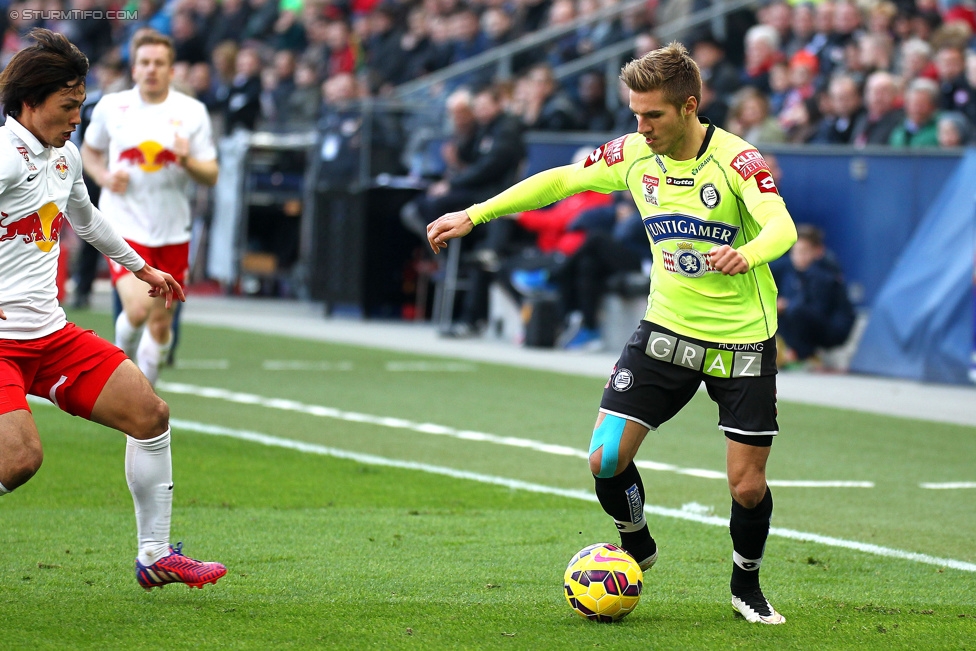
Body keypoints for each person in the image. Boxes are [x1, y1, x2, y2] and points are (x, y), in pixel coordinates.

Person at [427, 42, 797, 625]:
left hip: (742, 338)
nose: (641, 127)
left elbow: (782, 227)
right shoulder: (632, 154)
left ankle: (745, 585)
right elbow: (560, 182)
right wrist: (474, 215)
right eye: (635, 114)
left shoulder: (737, 160)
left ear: (689, 107)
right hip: (667, 329)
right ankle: (636, 543)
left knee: (747, 486)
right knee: (604, 457)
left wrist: (747, 254)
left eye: (653, 115)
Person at [0, 28, 225, 589]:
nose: (77, 117)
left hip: (49, 336)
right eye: (67, 106)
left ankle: (154, 556)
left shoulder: (64, 156)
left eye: (81, 104)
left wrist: (141, 267)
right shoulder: (4, 158)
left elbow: (89, 220)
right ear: (30, 102)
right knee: (20, 459)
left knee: (150, 415)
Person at [81, 29, 219, 386]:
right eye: (145, 62)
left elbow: (211, 174)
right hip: (123, 225)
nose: (152, 69)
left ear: (172, 70)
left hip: (173, 230)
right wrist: (104, 176)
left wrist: (187, 160)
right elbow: (90, 151)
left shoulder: (191, 112)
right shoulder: (113, 106)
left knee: (160, 325)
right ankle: (119, 367)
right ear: (134, 67)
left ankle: (146, 399)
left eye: (159, 63)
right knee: (139, 308)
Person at [771, 224, 855, 363]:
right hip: (806, 323)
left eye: (804, 252)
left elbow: (817, 312)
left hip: (831, 331)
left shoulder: (825, 275)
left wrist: (786, 305)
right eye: (795, 252)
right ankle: (785, 350)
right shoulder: (788, 269)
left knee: (795, 311)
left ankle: (803, 355)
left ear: (818, 251)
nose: (799, 257)